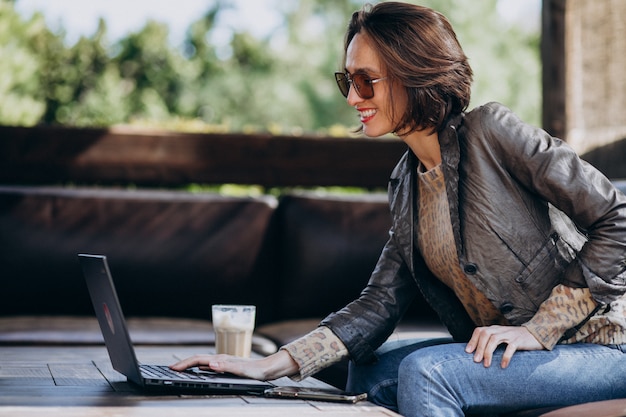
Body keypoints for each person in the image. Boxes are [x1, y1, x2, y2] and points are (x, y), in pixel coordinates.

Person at [171, 2, 626, 416]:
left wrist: (540, 328)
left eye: (366, 80)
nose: (352, 98)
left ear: (415, 72)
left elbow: (617, 219)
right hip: (528, 354)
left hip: (602, 346)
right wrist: (268, 365)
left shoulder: (493, 131)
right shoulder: (407, 182)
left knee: (425, 372)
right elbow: (379, 302)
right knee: (369, 370)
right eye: (347, 81)